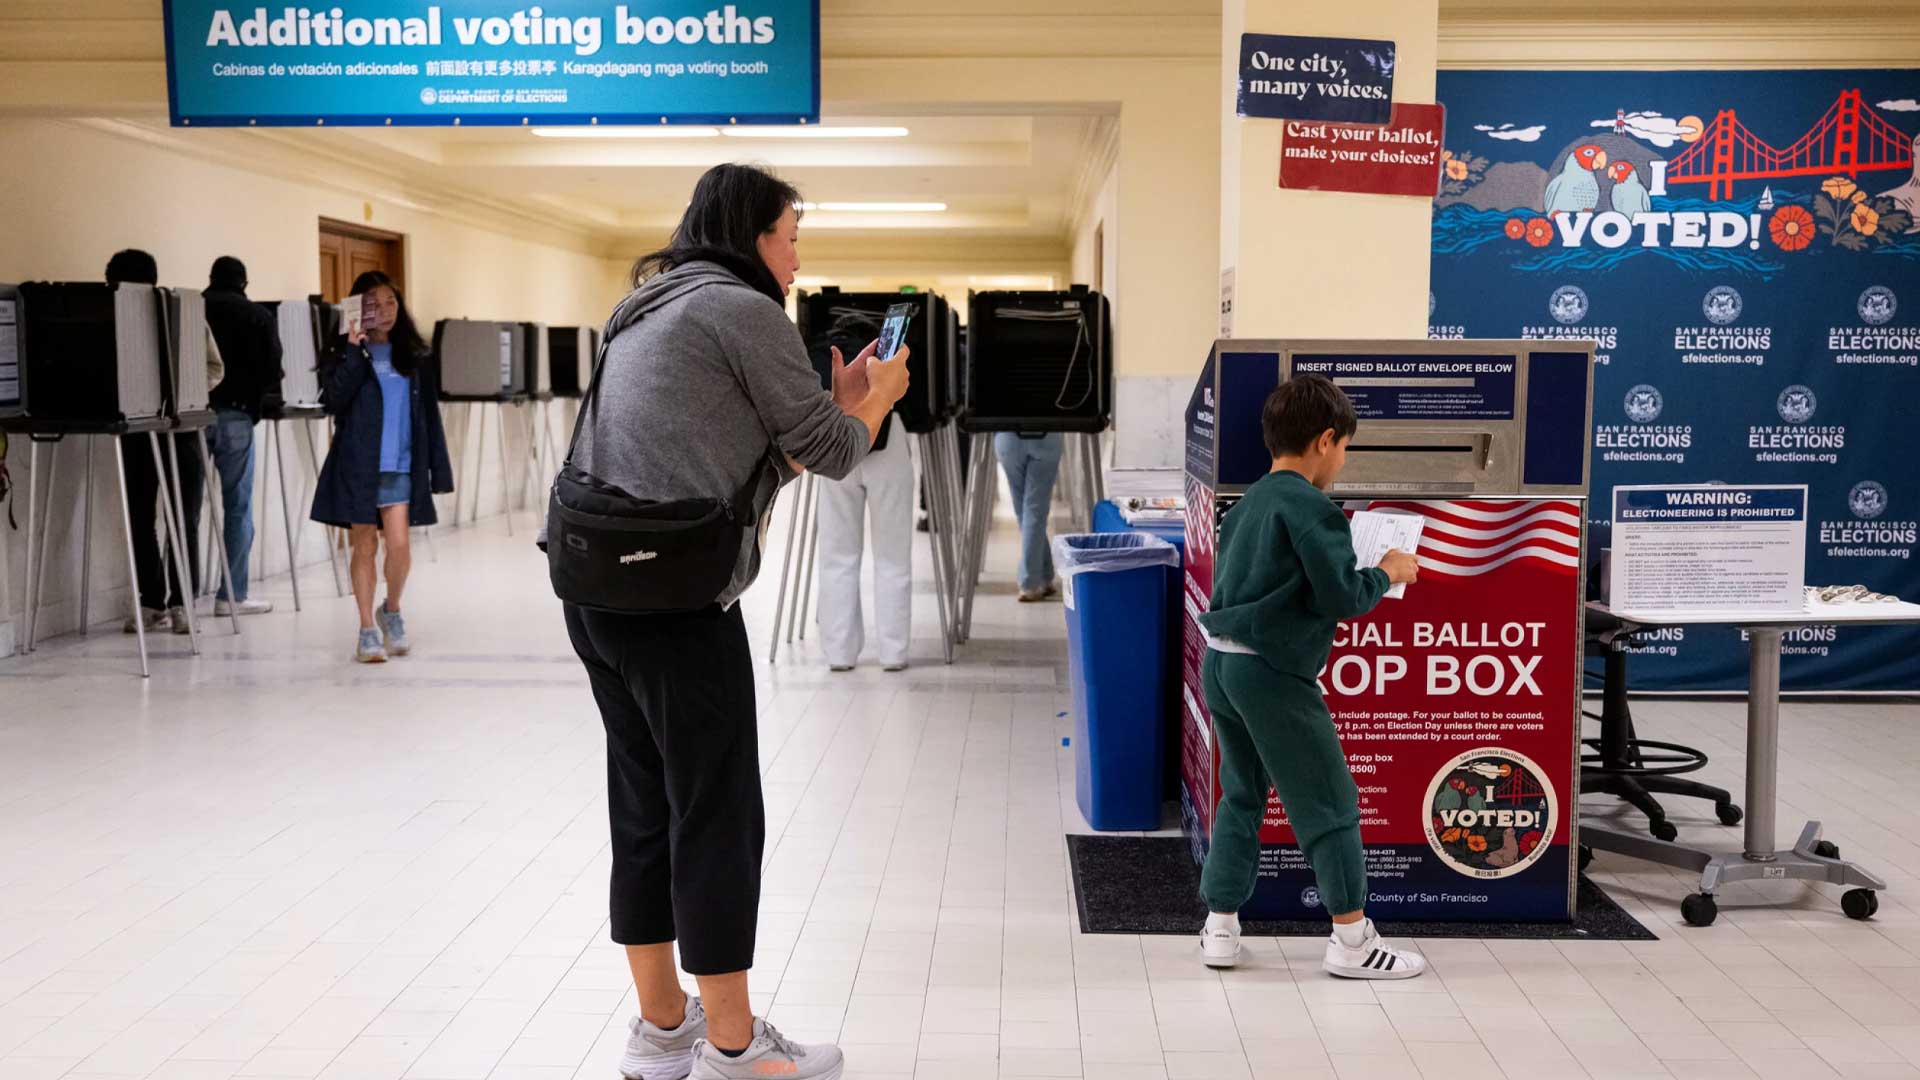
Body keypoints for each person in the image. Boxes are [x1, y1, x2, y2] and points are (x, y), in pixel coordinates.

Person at [558, 163, 907, 1080]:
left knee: (643, 807)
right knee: (717, 816)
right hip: (674, 602)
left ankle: (662, 1028)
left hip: (592, 586)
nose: (798, 256)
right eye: (790, 235)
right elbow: (832, 455)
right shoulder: (745, 311)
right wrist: (878, 399)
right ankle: (732, 1045)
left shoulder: (644, 304)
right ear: (752, 234)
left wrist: (829, 406)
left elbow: (731, 452)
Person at [1195, 374, 1425, 979]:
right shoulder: (1311, 508)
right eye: (1345, 447)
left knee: (1242, 795)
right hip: (1271, 674)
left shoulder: (1246, 505)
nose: (1342, 462)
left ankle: (1220, 927)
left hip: (1221, 664)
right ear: (1326, 440)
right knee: (1330, 804)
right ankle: (1353, 943)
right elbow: (1342, 595)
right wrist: (1387, 570)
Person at [310, 270, 453, 663]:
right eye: (374, 303)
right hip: (358, 466)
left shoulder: (414, 357)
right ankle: (365, 628)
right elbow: (333, 402)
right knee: (363, 545)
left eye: (391, 301)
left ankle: (390, 609)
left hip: (401, 465)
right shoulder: (344, 354)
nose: (385, 311)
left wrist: (438, 470)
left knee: (401, 544)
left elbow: (428, 417)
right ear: (358, 308)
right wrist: (355, 351)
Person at [109, 249, 221, 635]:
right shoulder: (114, 320)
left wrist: (184, 393)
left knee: (183, 519)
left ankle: (182, 603)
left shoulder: (183, 317)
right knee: (140, 519)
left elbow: (214, 368)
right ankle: (153, 601)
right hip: (137, 432)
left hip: (181, 431)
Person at [810, 311, 913, 673]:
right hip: (888, 444)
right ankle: (894, 652)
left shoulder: (822, 351)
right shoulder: (890, 350)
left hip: (837, 448)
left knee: (837, 554)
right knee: (893, 555)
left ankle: (839, 652)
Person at [202, 255, 283, 617]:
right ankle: (231, 595)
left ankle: (178, 600)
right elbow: (272, 370)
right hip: (236, 416)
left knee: (183, 507)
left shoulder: (191, 309)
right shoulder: (258, 316)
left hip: (194, 415)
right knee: (238, 507)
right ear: (244, 284)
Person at [993, 431, 1064, 601]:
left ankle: (1045, 576)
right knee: (1034, 508)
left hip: (1007, 438)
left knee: (1024, 509)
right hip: (1047, 436)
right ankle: (1030, 583)